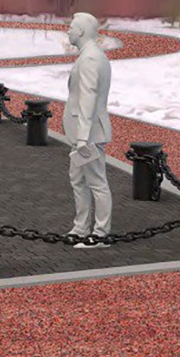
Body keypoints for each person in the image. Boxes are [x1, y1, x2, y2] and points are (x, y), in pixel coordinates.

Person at [63, 12, 113, 246]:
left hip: (89, 133)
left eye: (71, 27)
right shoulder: (89, 55)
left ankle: (101, 232)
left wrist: (83, 137)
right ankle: (81, 227)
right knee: (79, 180)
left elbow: (88, 98)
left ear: (81, 31)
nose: (68, 30)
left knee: (96, 182)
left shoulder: (91, 58)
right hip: (84, 133)